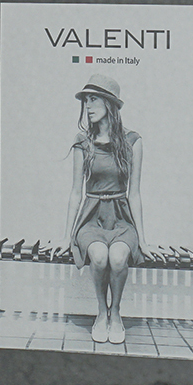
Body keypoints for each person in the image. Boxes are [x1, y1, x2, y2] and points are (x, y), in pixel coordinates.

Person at [63, 74, 144, 345]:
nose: (88, 106)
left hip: (120, 218)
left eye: (93, 99)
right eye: (86, 100)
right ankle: (101, 312)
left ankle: (115, 312)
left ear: (109, 104)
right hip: (92, 217)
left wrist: (143, 239)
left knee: (118, 258)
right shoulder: (83, 142)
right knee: (98, 256)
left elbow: (135, 194)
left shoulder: (133, 141)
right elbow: (76, 193)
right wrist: (66, 236)